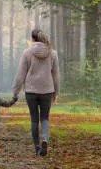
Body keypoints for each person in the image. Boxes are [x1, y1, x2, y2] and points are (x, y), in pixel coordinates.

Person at [12, 28, 59, 157]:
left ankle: (37, 148)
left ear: (32, 39)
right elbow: (55, 75)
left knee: (34, 120)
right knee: (44, 118)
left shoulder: (27, 53)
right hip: (47, 90)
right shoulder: (53, 53)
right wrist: (56, 92)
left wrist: (15, 91)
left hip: (31, 91)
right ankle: (45, 138)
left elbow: (21, 73)